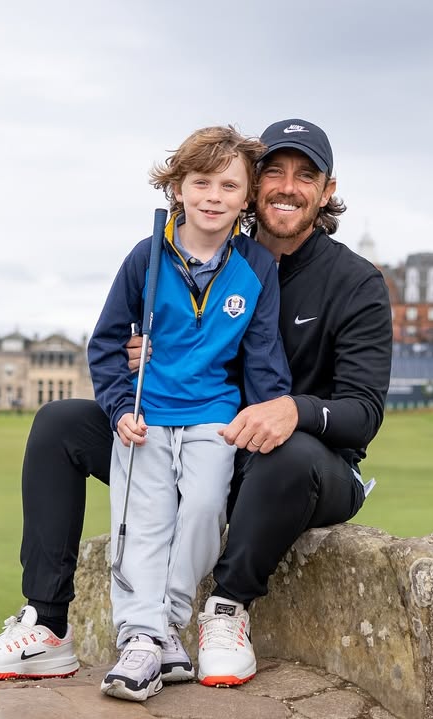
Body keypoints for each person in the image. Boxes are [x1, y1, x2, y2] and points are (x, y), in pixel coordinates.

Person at [0, 118, 392, 690]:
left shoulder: (356, 282)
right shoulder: (207, 254)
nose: (288, 186)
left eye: (306, 176)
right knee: (60, 423)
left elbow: (363, 411)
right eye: (275, 173)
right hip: (195, 436)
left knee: (289, 450)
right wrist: (153, 355)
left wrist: (294, 410)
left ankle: (226, 609)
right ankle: (47, 627)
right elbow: (131, 337)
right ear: (255, 187)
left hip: (304, 468)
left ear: (326, 192)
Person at [89, 125, 290, 701]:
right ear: (177, 187)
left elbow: (263, 357)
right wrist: (120, 406)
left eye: (229, 185)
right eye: (201, 181)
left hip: (214, 416)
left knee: (202, 510)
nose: (213, 196)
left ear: (246, 196)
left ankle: (165, 624)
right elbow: (106, 344)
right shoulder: (144, 258)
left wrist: (267, 418)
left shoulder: (255, 267)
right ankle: (142, 641)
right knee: (143, 526)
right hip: (146, 417)